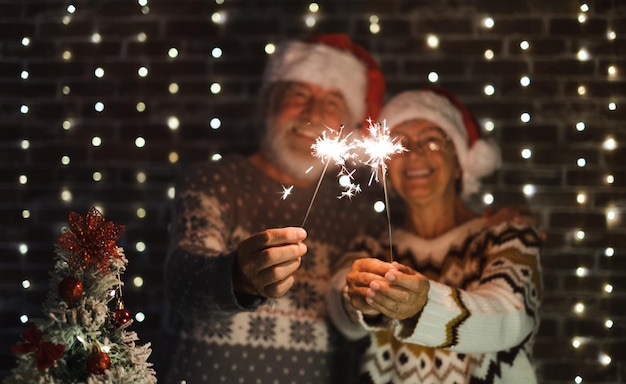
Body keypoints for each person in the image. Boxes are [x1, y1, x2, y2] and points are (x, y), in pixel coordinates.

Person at [159, 33, 388, 384]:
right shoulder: (215, 181)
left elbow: (353, 318)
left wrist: (369, 302)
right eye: (299, 95)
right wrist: (239, 276)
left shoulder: (357, 213)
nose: (312, 114)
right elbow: (183, 284)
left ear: (349, 124)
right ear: (269, 103)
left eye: (331, 103)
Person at [327, 87, 543, 383]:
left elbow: (511, 319)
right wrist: (356, 300)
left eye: (432, 140)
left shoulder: (507, 236)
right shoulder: (372, 245)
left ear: (460, 162)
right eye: (400, 142)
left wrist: (424, 306)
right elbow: (342, 314)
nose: (414, 154)